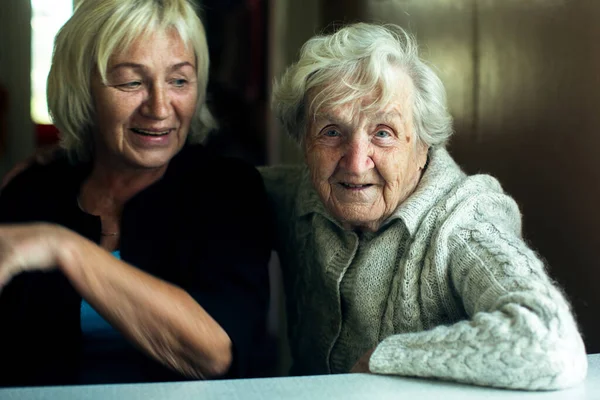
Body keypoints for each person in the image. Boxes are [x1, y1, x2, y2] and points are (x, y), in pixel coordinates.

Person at [260, 22, 587, 390]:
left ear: (423, 146)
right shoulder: (294, 193)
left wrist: (389, 359)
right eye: (332, 131)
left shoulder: (464, 219)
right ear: (304, 141)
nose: (355, 162)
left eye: (383, 133)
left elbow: (549, 342)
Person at [0, 0, 271, 387]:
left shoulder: (227, 189)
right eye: (131, 82)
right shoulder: (33, 190)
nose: (160, 108)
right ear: (83, 87)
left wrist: (62, 247)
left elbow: (213, 352)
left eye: (179, 80)